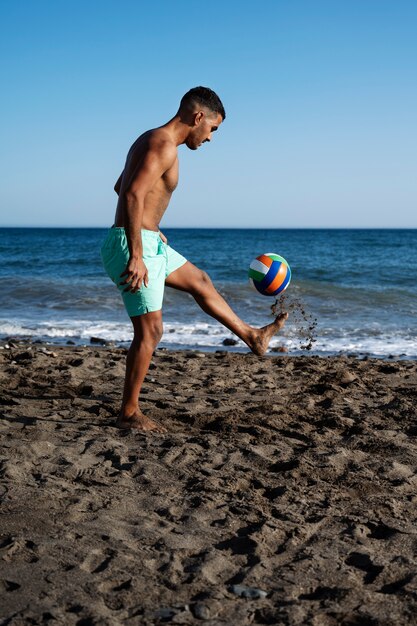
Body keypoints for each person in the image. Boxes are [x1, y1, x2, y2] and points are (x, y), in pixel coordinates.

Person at [101, 86, 288, 433]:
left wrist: (151, 227)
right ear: (198, 117)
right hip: (133, 245)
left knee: (200, 280)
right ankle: (128, 413)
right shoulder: (162, 145)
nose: (211, 138)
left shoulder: (154, 140)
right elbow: (130, 193)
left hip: (145, 239)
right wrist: (138, 253)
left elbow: (121, 187)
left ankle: (252, 336)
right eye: (213, 129)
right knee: (151, 331)